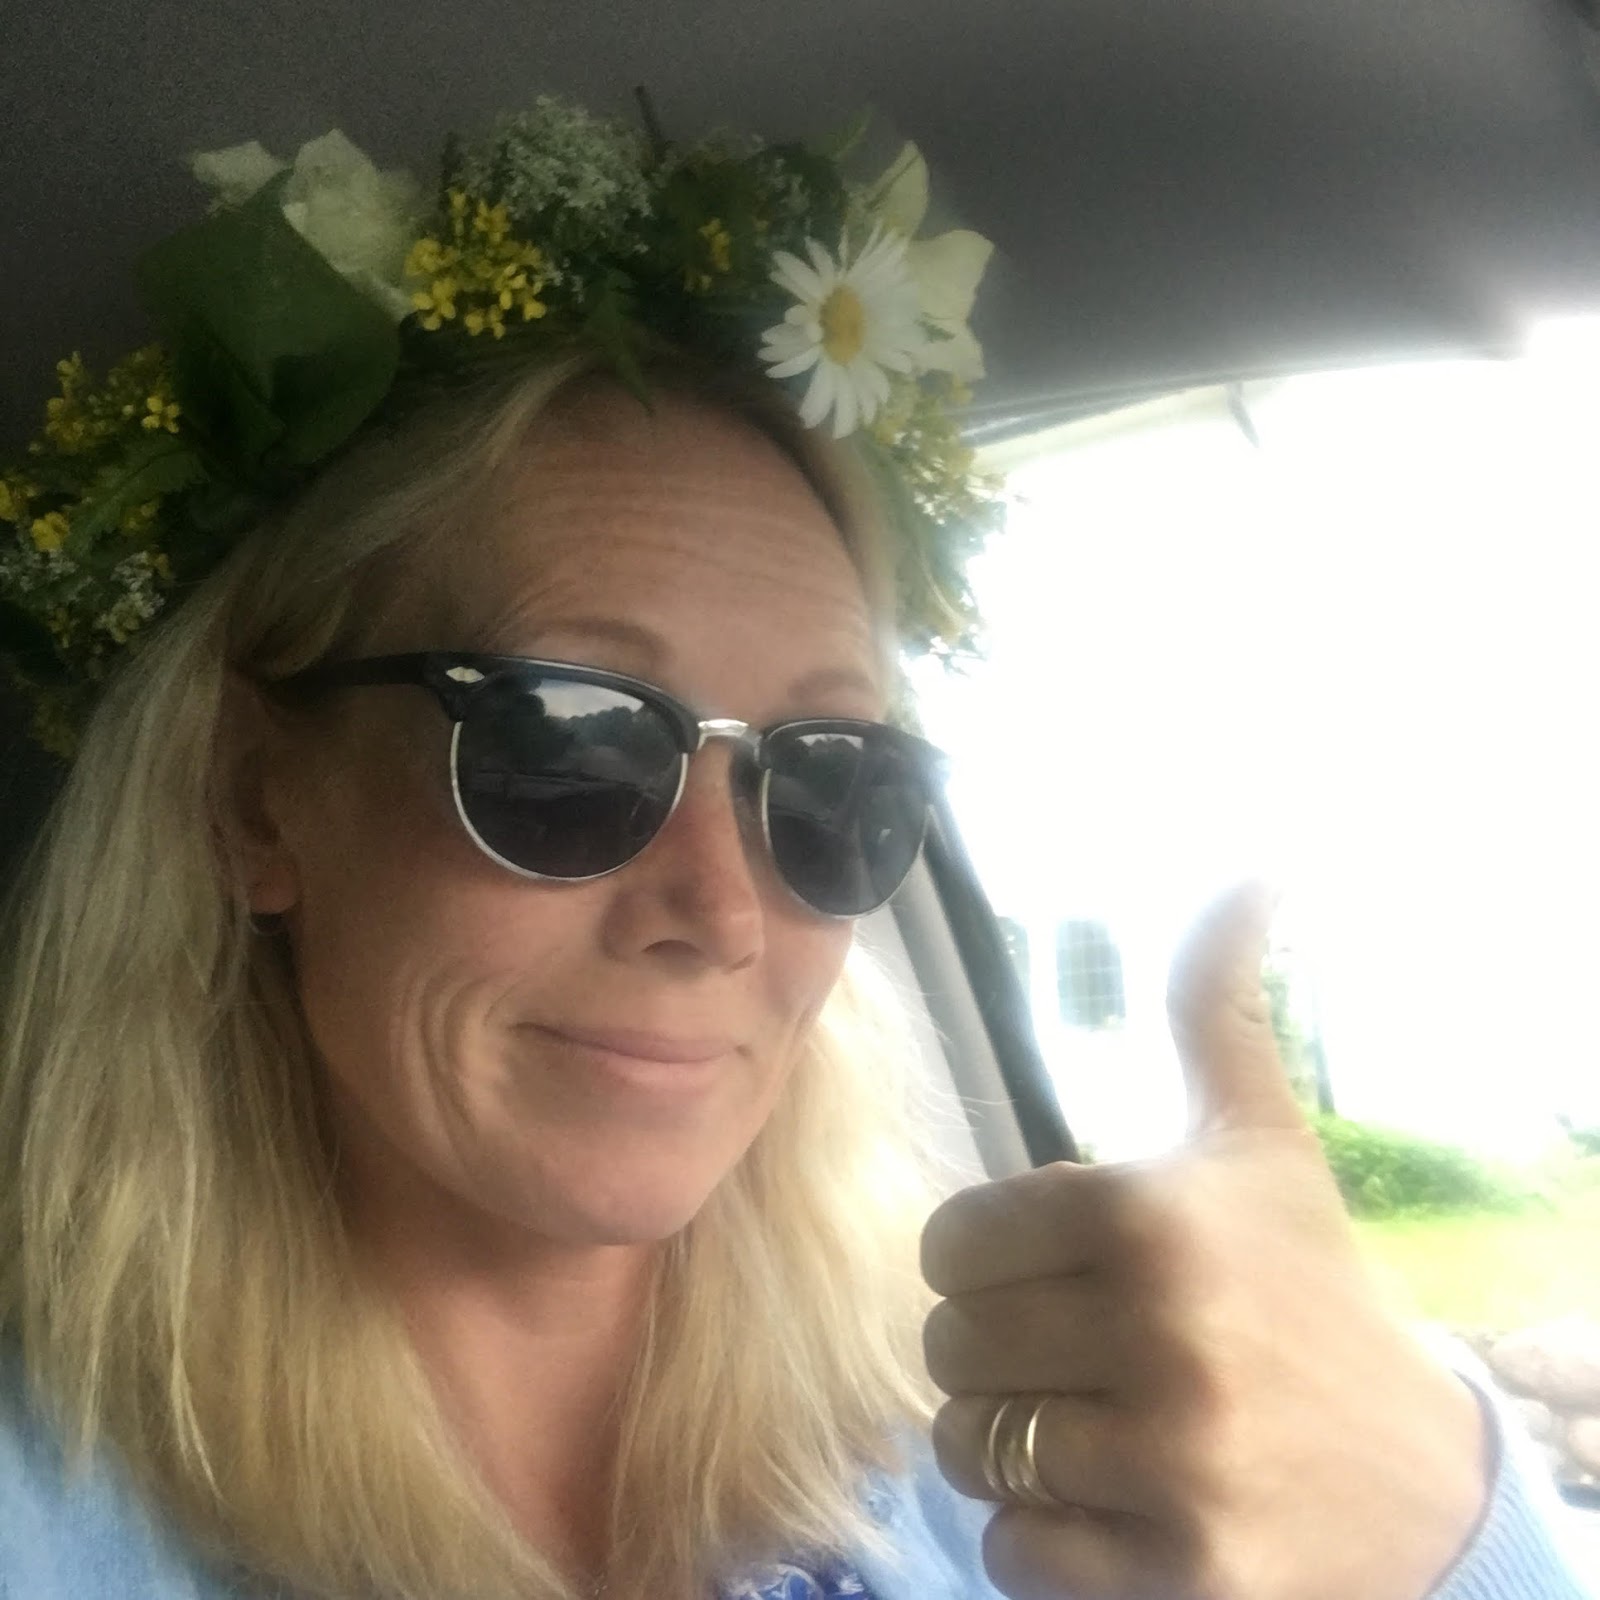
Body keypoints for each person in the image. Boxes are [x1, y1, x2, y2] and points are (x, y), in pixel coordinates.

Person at [0, 103, 1593, 1600]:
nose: (723, 909)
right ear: (253, 800)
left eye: (833, 784)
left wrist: (1437, 1533)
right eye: (568, 745)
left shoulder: (1009, 1441)